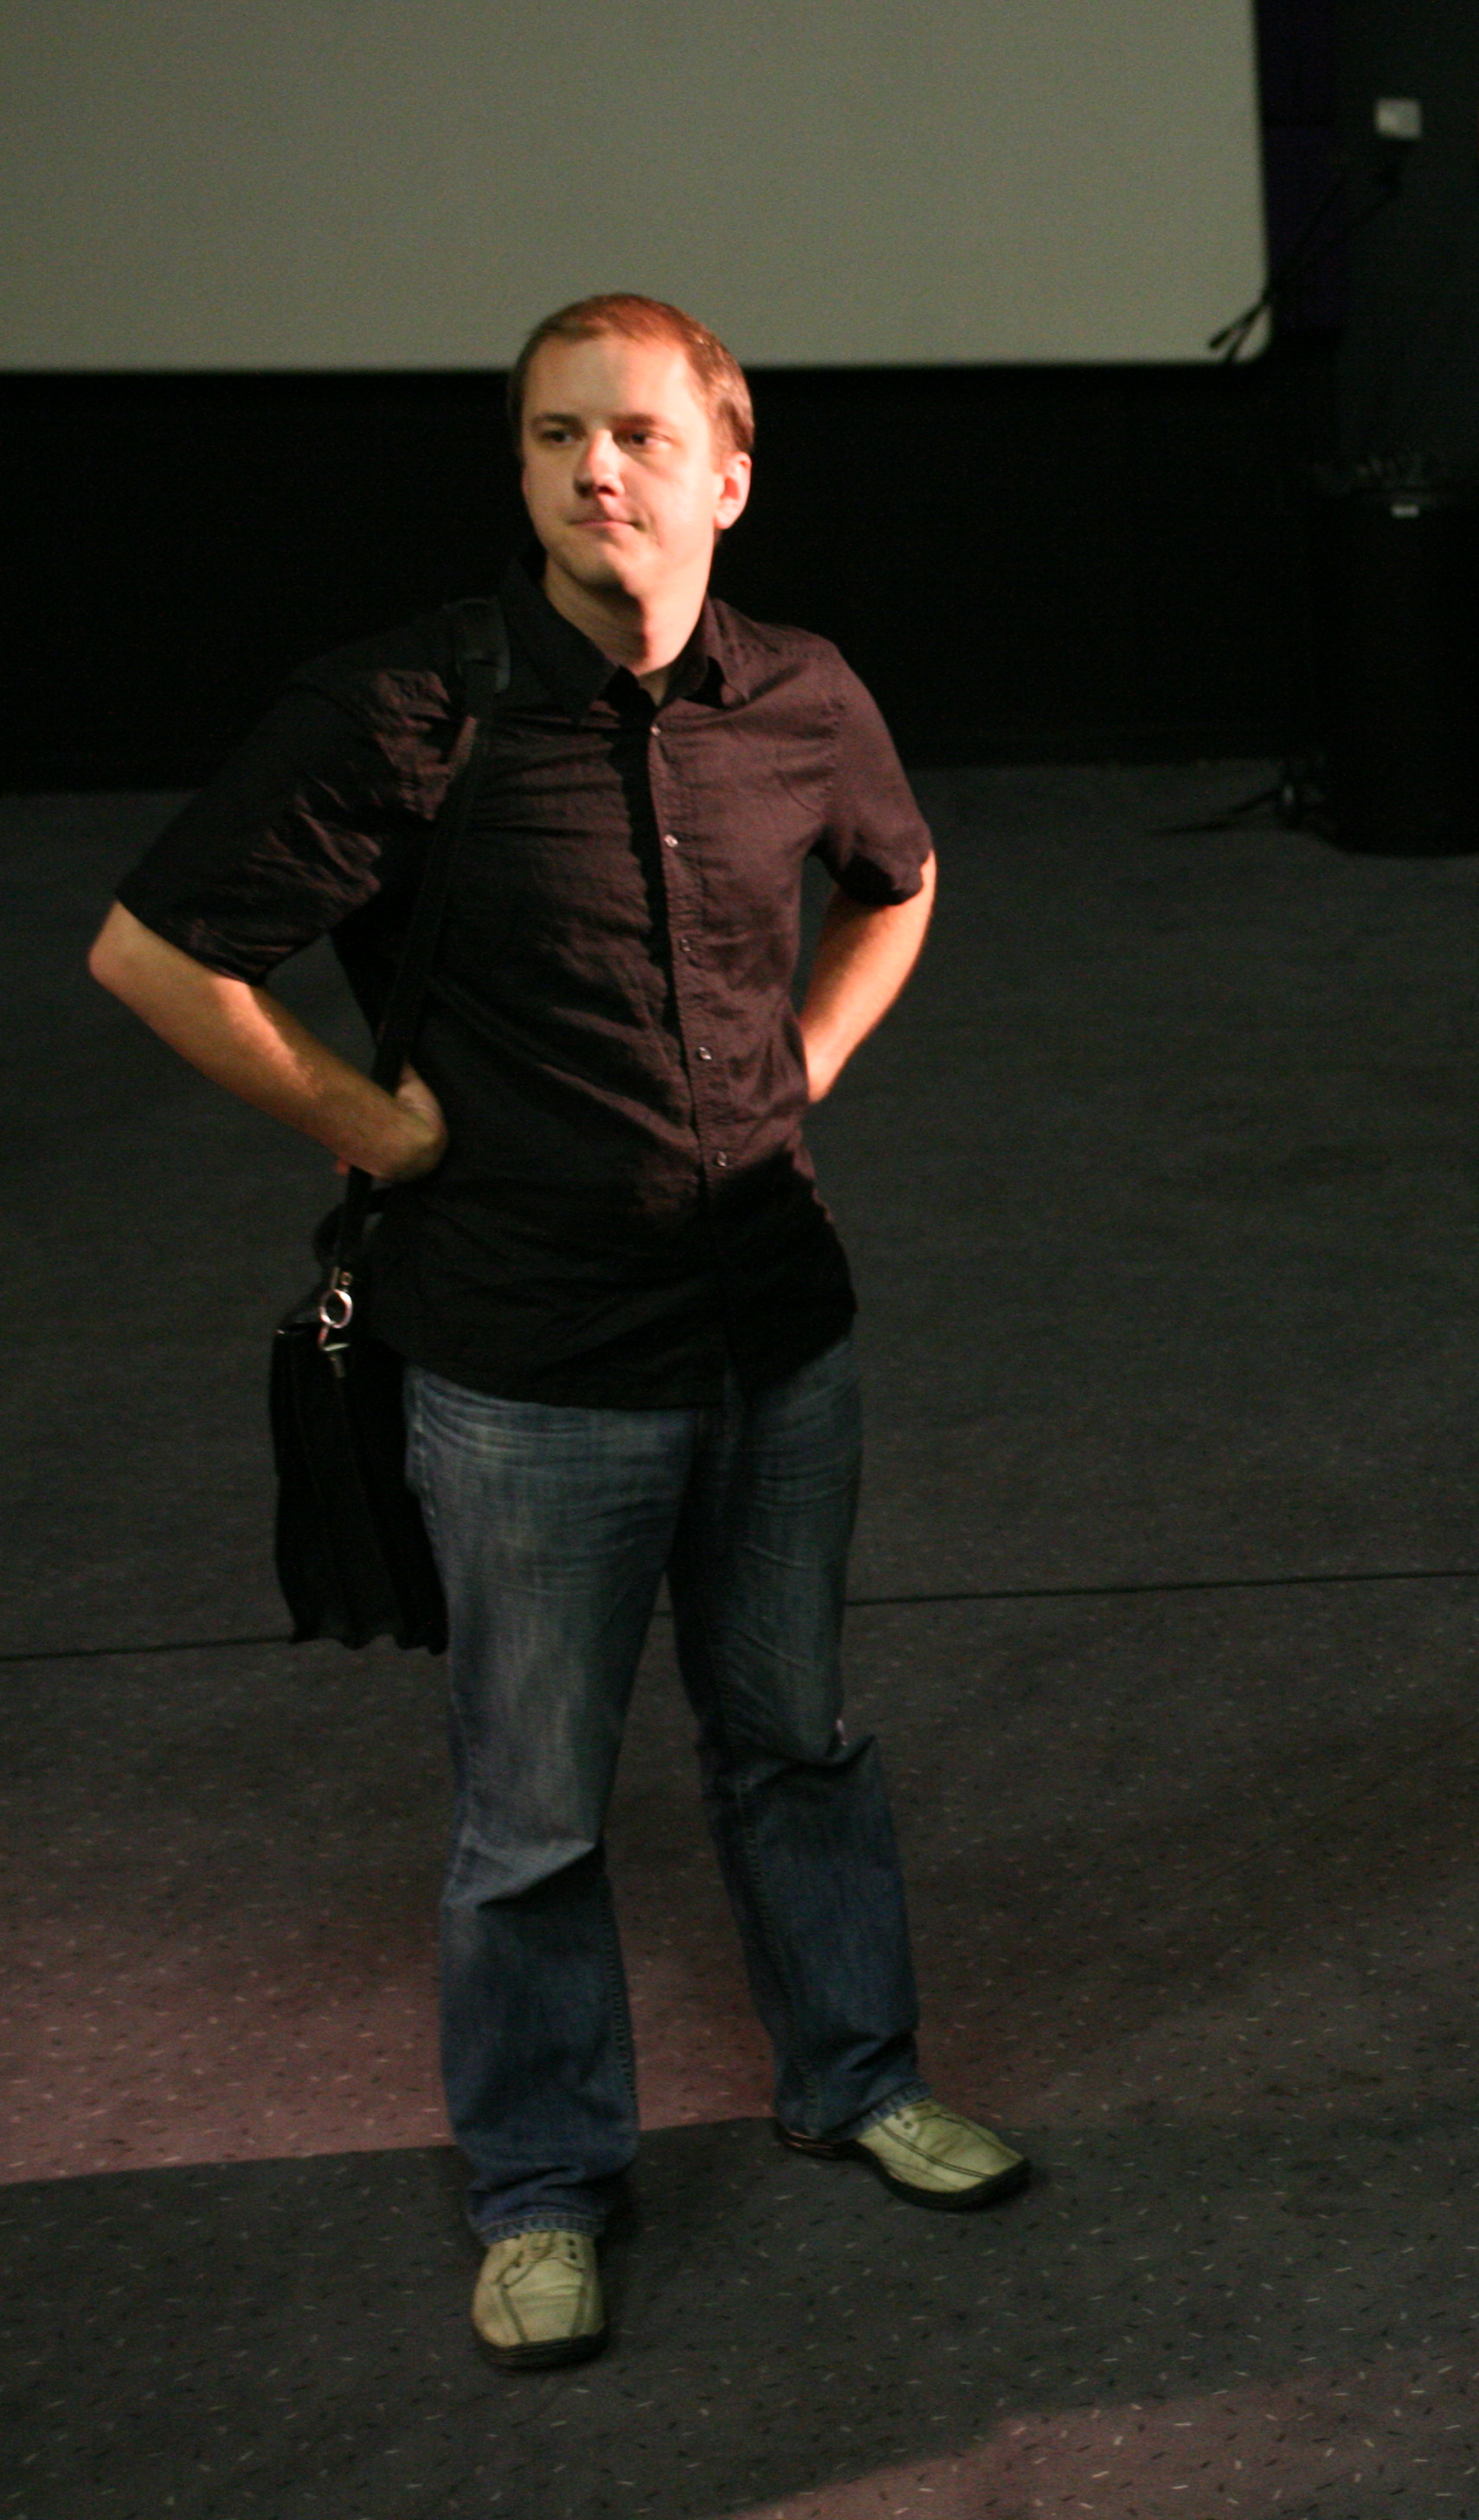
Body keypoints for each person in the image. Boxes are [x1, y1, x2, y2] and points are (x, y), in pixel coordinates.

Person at [89, 294, 1027, 2374]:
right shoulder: (403, 707)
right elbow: (151, 950)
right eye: (549, 436)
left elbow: (897, 879)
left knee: (797, 1738)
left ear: (729, 471)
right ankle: (539, 2185)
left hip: (775, 1327)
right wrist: (368, 1127)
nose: (592, 467)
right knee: (531, 1813)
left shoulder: (801, 693)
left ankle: (858, 2079)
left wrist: (804, 1067)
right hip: (527, 1365)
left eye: (633, 433)